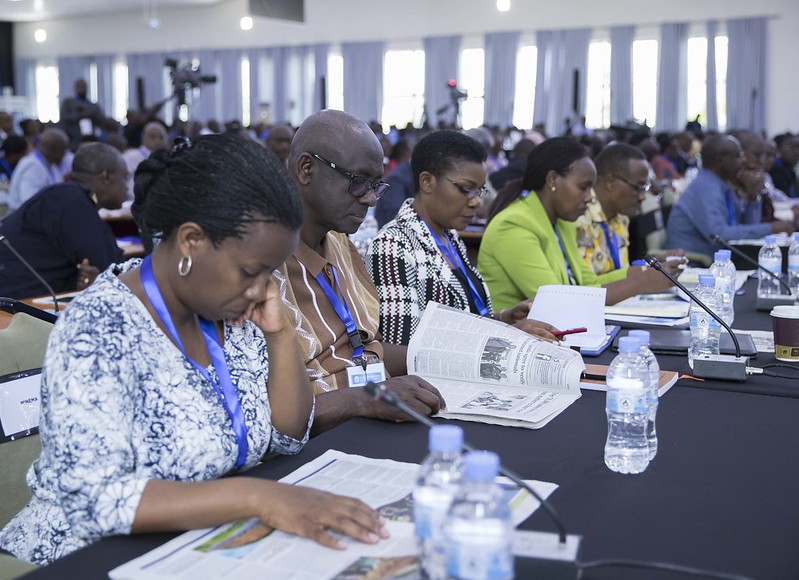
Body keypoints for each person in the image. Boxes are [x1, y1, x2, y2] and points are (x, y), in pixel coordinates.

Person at [0, 133, 389, 565]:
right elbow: (97, 499)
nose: (264, 288)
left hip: (199, 541)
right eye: (251, 271)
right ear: (190, 242)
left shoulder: (234, 308)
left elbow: (287, 436)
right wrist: (257, 497)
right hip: (87, 555)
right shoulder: (100, 326)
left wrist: (281, 337)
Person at [279, 109, 444, 434]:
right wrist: (365, 398)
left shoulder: (339, 242)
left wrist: (453, 358)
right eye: (358, 182)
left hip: (369, 416)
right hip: (315, 440)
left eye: (375, 185)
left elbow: (368, 348)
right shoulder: (257, 263)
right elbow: (272, 415)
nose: (370, 199)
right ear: (306, 168)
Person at [365, 130, 558, 346]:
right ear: (427, 182)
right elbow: (402, 347)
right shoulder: (393, 245)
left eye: (479, 191)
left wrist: (503, 319)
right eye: (465, 189)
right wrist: (506, 335)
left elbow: (461, 324)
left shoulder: (450, 238)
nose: (475, 202)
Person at [477, 137, 678, 309]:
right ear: (552, 180)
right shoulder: (515, 225)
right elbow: (556, 302)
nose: (591, 198)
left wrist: (646, 272)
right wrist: (641, 283)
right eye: (583, 187)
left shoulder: (562, 222)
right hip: (516, 340)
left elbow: (587, 282)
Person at [0, 142, 127, 298]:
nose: (127, 187)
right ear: (106, 176)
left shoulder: (63, 196)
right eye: (124, 177)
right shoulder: (73, 203)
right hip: (19, 307)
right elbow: (114, 268)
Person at [665, 134, 793, 257]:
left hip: (719, 257)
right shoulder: (706, 187)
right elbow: (720, 235)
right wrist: (770, 228)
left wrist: (753, 195)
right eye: (738, 156)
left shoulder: (722, 184)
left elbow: (744, 225)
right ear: (720, 160)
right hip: (694, 262)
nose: (743, 161)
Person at [575, 143, 685, 275]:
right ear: (610, 182)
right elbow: (588, 286)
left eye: (645, 188)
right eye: (638, 187)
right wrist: (643, 276)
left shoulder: (621, 217)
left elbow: (620, 272)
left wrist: (655, 264)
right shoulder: (579, 217)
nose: (642, 197)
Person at [7, 128, 68, 213]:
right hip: (26, 223)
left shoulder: (49, 165)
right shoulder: (32, 167)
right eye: (63, 151)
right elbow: (30, 204)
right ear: (56, 151)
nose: (65, 155)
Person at [122, 121, 169, 199]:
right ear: (143, 137)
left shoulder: (168, 160)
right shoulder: (129, 156)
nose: (157, 141)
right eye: (152, 137)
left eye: (161, 138)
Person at [60, 78, 105, 151]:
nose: (82, 89)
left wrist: (91, 113)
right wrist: (79, 115)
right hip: (73, 139)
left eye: (83, 87)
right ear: (75, 88)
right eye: (79, 86)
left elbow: (101, 119)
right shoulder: (68, 104)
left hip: (90, 138)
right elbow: (64, 117)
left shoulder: (93, 106)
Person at [769, 133, 799, 199]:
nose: (797, 152)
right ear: (779, 148)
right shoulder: (773, 170)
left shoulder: (790, 171)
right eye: (793, 147)